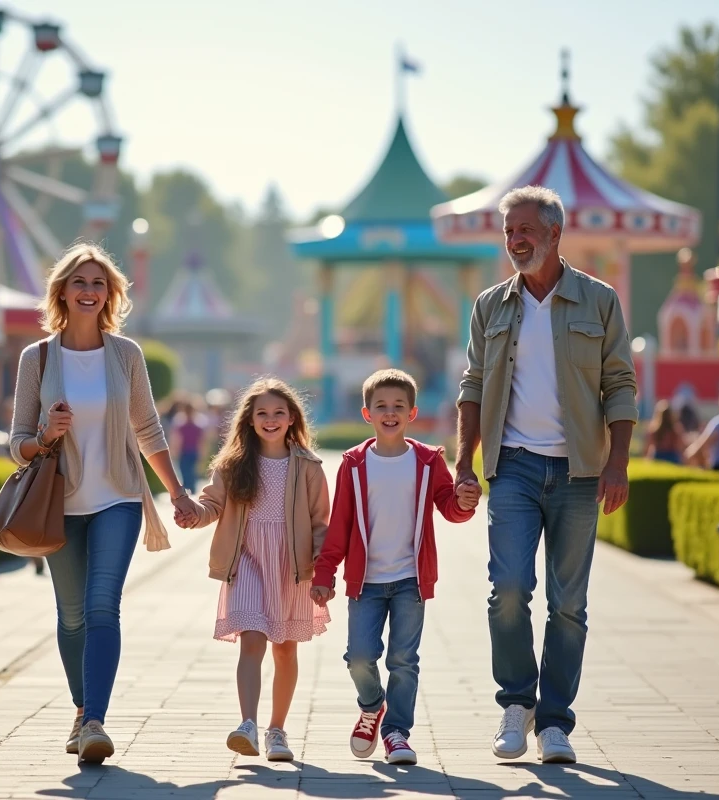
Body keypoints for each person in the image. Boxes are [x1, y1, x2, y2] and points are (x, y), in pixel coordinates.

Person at [453, 186, 637, 765]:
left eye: (525, 230)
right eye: (509, 232)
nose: (515, 240)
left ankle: (554, 722)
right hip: (512, 468)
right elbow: (474, 387)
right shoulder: (490, 306)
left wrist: (618, 462)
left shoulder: (599, 300)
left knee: (568, 604)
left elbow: (621, 385)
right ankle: (516, 703)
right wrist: (464, 461)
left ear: (555, 234)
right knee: (508, 590)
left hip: (581, 471)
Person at [8, 242, 202, 766]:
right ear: (62, 292)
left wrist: (178, 492)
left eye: (98, 283)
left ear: (110, 293)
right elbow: (17, 441)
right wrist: (46, 434)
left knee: (101, 607)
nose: (89, 292)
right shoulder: (38, 357)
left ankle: (95, 720)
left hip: (118, 496)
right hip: (58, 502)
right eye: (80, 283)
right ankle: (80, 708)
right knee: (71, 616)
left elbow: (147, 428)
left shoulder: (126, 355)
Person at [313, 369, 478, 766]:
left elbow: (449, 508)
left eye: (398, 406)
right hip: (365, 583)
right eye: (381, 406)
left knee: (404, 661)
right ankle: (372, 705)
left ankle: (396, 733)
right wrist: (324, 574)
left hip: (410, 581)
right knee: (358, 657)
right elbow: (340, 525)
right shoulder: (353, 463)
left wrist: (466, 502)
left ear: (412, 412)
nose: (390, 413)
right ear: (367, 413)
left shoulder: (427, 460)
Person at [177, 378, 330, 762]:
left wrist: (323, 574)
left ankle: (277, 730)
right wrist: (193, 515)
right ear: (249, 420)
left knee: (284, 650)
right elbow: (211, 505)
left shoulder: (309, 466)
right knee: (252, 640)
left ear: (292, 418)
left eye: (279, 412)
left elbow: (320, 523)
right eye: (262, 413)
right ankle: (248, 724)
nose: (271, 419)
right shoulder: (232, 465)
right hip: (246, 560)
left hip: (292, 565)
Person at [171, 400, 209, 494]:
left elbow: (177, 440)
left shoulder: (180, 425)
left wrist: (174, 451)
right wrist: (203, 455)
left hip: (184, 452)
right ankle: (192, 491)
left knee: (185, 473)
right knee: (192, 473)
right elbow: (202, 442)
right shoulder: (198, 426)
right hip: (193, 452)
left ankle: (187, 491)